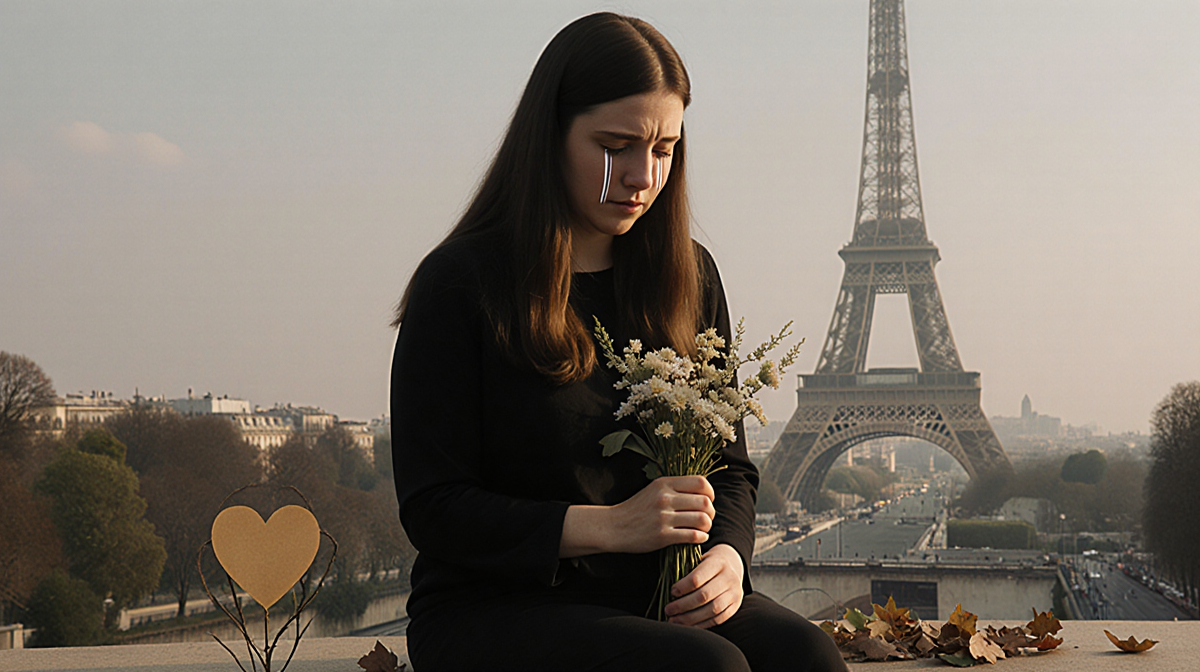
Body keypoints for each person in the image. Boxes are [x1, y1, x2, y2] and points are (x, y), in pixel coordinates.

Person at [390, 12, 846, 672]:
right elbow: (434, 508)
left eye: (663, 150)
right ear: (550, 137)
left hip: (654, 592)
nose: (642, 176)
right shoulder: (461, 283)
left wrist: (727, 556)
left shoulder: (690, 276)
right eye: (615, 147)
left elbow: (730, 467)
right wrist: (610, 526)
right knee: (706, 667)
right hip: (496, 604)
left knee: (808, 654)